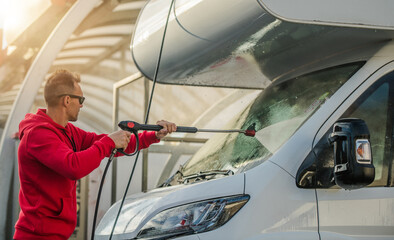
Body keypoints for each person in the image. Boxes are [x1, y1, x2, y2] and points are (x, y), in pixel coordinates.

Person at [13, 69, 176, 239]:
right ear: (67, 100)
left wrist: (154, 135)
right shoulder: (38, 134)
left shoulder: (68, 131)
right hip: (37, 236)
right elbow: (73, 166)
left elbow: (112, 144)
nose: (82, 104)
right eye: (80, 99)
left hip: (54, 235)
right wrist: (109, 142)